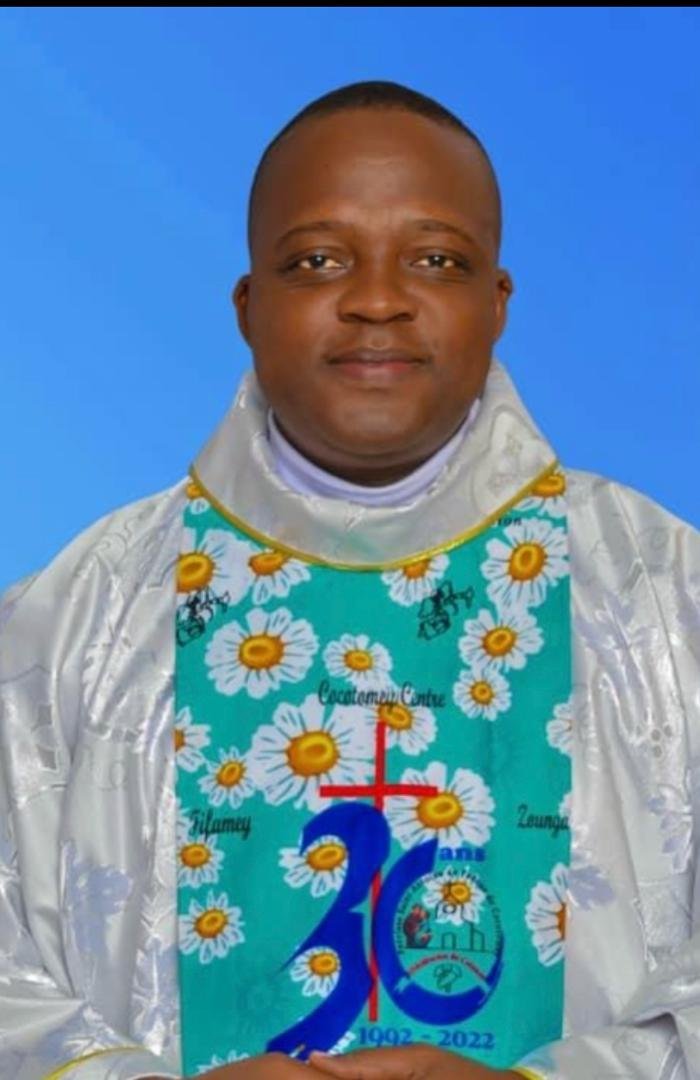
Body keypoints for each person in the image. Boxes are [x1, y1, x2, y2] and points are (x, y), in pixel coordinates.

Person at [0, 80, 698, 1080]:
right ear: (249, 306)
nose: (376, 299)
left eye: (436, 260)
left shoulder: (663, 598)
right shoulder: (73, 621)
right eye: (317, 260)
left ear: (498, 303)